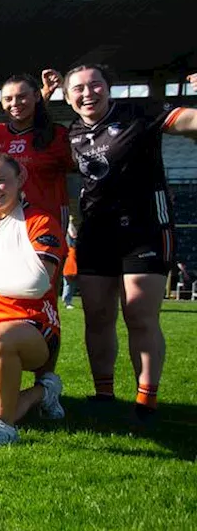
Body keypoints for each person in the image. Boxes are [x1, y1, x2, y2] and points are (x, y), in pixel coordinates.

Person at [59, 65, 197, 425]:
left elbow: (191, 124)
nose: (88, 93)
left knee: (139, 315)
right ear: (67, 96)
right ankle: (103, 394)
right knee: (98, 316)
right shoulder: (71, 132)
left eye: (95, 85)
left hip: (145, 230)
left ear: (108, 88)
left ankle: (146, 400)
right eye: (78, 88)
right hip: (95, 234)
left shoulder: (141, 113)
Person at [0, 153, 66, 447]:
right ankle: (43, 392)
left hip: (31, 328)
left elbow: (36, 282)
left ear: (20, 180)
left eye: (0, 181)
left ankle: (4, 429)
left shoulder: (40, 222)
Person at [0, 73, 74, 227]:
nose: (14, 103)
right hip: (5, 223)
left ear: (36, 96)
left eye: (21, 96)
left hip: (47, 222)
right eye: (8, 99)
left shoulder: (56, 134)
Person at [63, 221, 79, 309]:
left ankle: (67, 300)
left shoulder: (71, 249)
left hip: (70, 266)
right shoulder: (70, 248)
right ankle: (67, 301)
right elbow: (72, 235)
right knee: (69, 284)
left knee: (69, 284)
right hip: (70, 267)